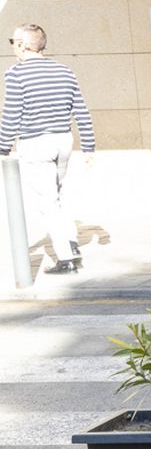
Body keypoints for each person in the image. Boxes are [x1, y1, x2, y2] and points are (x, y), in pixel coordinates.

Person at [0, 24, 96, 274]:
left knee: (47, 202)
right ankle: (72, 243)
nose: (12, 46)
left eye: (13, 41)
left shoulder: (16, 74)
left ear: (23, 44)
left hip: (36, 143)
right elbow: (81, 110)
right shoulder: (64, 70)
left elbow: (11, 114)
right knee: (57, 194)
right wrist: (89, 145)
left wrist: (2, 146)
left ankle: (66, 258)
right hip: (63, 140)